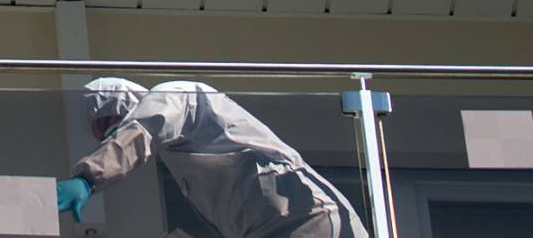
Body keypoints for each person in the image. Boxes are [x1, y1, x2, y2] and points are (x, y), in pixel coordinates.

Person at [57, 78, 370, 238]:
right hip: (274, 228)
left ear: (126, 104)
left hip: (306, 219)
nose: (111, 135)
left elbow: (145, 129)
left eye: (109, 125)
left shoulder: (175, 96)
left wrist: (88, 178)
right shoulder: (184, 161)